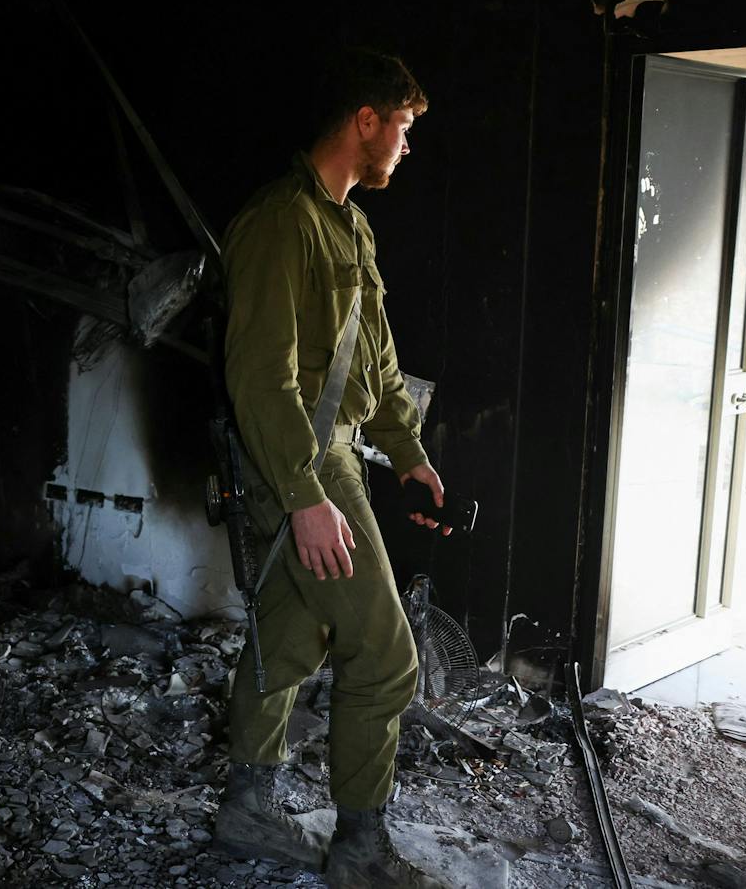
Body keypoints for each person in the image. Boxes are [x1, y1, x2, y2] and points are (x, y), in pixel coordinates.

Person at [214, 49, 453, 888]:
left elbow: (377, 369)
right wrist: (308, 495)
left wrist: (412, 455)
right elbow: (260, 378)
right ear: (367, 120)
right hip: (299, 464)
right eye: (405, 127)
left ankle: (247, 804)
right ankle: (359, 849)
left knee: (286, 633)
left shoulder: (349, 225)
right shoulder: (280, 222)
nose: (407, 146)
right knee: (387, 657)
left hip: (334, 457)